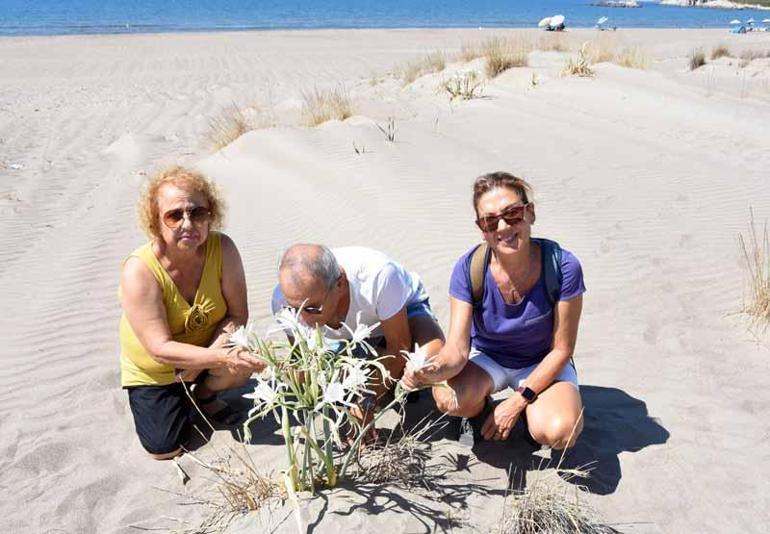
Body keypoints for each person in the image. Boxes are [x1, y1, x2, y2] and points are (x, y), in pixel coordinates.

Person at [403, 172, 585, 450]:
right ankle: (479, 409)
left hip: (541, 360)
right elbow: (457, 350)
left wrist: (516, 402)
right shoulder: (469, 269)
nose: (502, 227)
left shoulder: (562, 266)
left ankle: (531, 410)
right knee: (449, 399)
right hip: (489, 357)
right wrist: (432, 371)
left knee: (560, 432)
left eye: (513, 214)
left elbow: (562, 349)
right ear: (482, 229)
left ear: (530, 214)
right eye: (490, 221)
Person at [119, 166, 264, 460]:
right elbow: (160, 349)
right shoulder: (140, 270)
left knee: (240, 360)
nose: (188, 223)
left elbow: (237, 315)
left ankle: (204, 394)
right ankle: (176, 399)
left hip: (205, 353)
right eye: (174, 215)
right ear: (155, 221)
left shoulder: (223, 248)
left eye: (198, 212)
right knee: (164, 448)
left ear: (211, 214)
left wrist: (207, 359)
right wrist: (220, 358)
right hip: (157, 371)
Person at [271, 244, 445, 424]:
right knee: (326, 378)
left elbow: (400, 347)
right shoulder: (281, 303)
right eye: (294, 309)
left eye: (312, 308)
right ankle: (373, 358)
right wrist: (268, 365)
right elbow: (303, 363)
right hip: (352, 337)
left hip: (404, 313)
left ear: (340, 283)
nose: (303, 319)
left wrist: (368, 400)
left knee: (431, 362)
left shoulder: (379, 276)